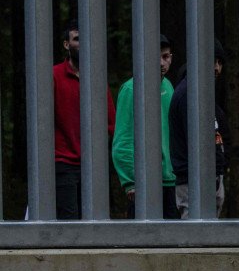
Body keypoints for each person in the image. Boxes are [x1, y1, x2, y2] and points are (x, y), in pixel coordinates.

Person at [52, 19, 116, 219]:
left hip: (93, 164)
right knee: (69, 221)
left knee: (94, 221)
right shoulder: (54, 75)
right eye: (77, 39)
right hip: (62, 161)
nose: (82, 44)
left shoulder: (96, 76)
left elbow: (111, 121)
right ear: (66, 44)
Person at [111, 34, 180, 219]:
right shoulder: (131, 89)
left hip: (171, 180)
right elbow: (123, 140)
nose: (161, 63)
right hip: (145, 182)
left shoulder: (169, 86)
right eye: (155, 57)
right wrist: (131, 181)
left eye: (165, 57)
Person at [168, 40, 228, 218]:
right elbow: (196, 142)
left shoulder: (200, 92)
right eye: (212, 61)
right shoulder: (190, 93)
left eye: (220, 62)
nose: (216, 68)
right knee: (196, 239)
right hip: (195, 182)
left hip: (206, 178)